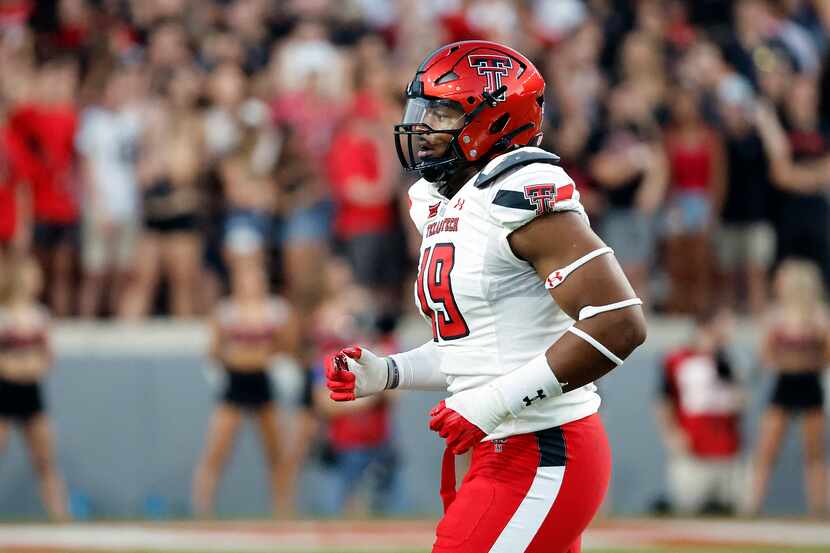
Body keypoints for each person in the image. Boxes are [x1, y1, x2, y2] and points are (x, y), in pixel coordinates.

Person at [326, 41, 646, 553]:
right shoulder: (448, 203)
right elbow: (479, 349)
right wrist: (389, 372)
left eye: (444, 110)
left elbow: (618, 320)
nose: (424, 125)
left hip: (545, 447)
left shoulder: (518, 193)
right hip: (503, 450)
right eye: (423, 108)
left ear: (495, 118)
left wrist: (495, 402)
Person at [191, 263, 299, 517]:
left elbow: (288, 346)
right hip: (235, 381)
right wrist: (243, 356)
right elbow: (214, 350)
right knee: (217, 450)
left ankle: (283, 510)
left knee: (277, 452)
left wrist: (255, 355)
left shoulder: (277, 311)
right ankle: (202, 510)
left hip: (263, 381)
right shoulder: (226, 312)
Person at [749, 259, 828, 517]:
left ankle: (819, 507)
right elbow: (765, 355)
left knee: (814, 452)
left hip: (809, 383)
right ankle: (752, 505)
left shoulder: (819, 316)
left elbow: (827, 355)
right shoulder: (776, 316)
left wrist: (803, 360)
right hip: (785, 383)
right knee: (766, 450)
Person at [0, 257, 70, 521]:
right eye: (32, 273)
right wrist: (19, 365)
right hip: (4, 392)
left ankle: (60, 516)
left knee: (46, 461)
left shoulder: (40, 316)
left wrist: (26, 366)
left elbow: (47, 358)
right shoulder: (3, 316)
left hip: (31, 393)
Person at [655, 309, 743, 515]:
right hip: (693, 443)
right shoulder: (677, 358)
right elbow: (664, 401)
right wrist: (672, 434)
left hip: (727, 446)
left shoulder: (730, 359)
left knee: (728, 508)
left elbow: (739, 401)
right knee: (689, 506)